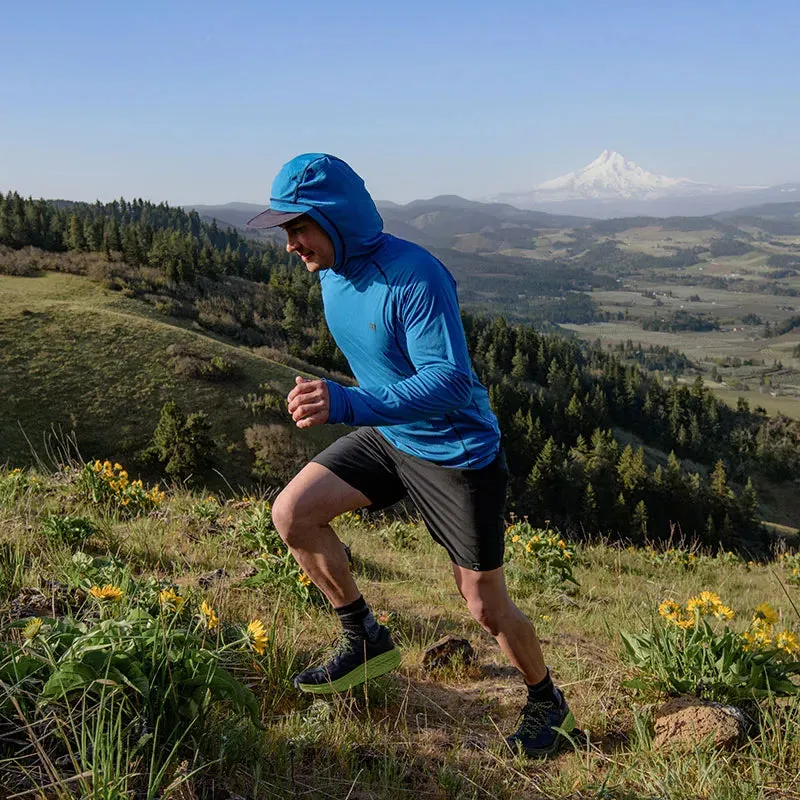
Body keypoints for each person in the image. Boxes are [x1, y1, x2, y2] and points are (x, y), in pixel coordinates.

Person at [246, 153, 574, 758]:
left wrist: (347, 404)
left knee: (484, 605)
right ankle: (364, 636)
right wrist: (350, 402)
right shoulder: (332, 270)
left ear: (336, 219)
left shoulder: (414, 276)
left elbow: (449, 379)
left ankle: (548, 701)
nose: (291, 245)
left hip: (455, 452)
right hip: (391, 435)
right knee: (293, 513)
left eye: (298, 228)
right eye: (285, 232)